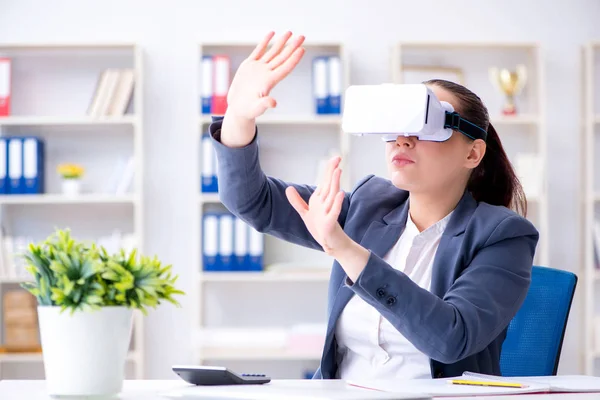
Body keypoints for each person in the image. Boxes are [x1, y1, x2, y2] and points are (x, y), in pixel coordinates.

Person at [207, 31, 539, 380]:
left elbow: (451, 338)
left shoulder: (504, 236)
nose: (403, 139)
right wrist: (238, 118)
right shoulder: (370, 205)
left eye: (427, 126)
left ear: (472, 153)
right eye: (398, 124)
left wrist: (346, 251)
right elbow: (252, 201)